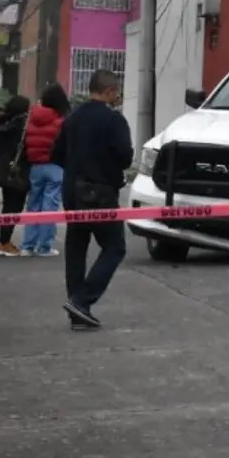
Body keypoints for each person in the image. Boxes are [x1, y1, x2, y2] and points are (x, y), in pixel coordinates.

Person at [52, 69, 133, 329]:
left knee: (76, 247)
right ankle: (83, 300)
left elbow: (57, 154)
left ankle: (77, 307)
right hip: (100, 194)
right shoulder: (113, 120)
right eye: (116, 92)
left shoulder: (72, 119)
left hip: (72, 191)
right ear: (109, 91)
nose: (118, 96)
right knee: (114, 247)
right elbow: (125, 158)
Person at [20, 83, 70, 257]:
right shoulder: (61, 121)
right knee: (50, 206)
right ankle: (45, 247)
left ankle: (27, 246)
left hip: (35, 166)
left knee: (33, 205)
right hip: (55, 167)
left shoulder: (32, 118)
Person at [0, 95, 32, 257]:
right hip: (17, 170)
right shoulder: (21, 126)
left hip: (3, 170)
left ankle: (4, 241)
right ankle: (4, 243)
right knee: (14, 207)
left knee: (8, 206)